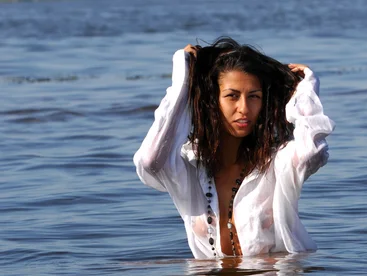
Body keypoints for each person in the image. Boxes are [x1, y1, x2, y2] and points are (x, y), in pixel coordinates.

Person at [133, 37, 334, 259]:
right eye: (232, 96)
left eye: (254, 97)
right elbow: (149, 161)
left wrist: (306, 90)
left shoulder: (276, 163)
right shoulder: (191, 169)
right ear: (213, 100)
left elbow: (311, 153)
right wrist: (183, 79)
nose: (244, 108)